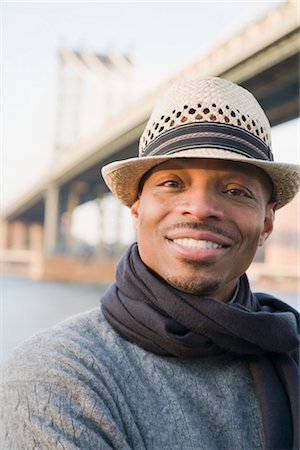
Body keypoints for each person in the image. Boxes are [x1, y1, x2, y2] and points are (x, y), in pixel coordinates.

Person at [1, 77, 299, 450]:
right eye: (173, 183)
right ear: (137, 207)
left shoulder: (290, 349)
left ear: (267, 222)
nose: (201, 208)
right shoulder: (56, 373)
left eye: (235, 191)